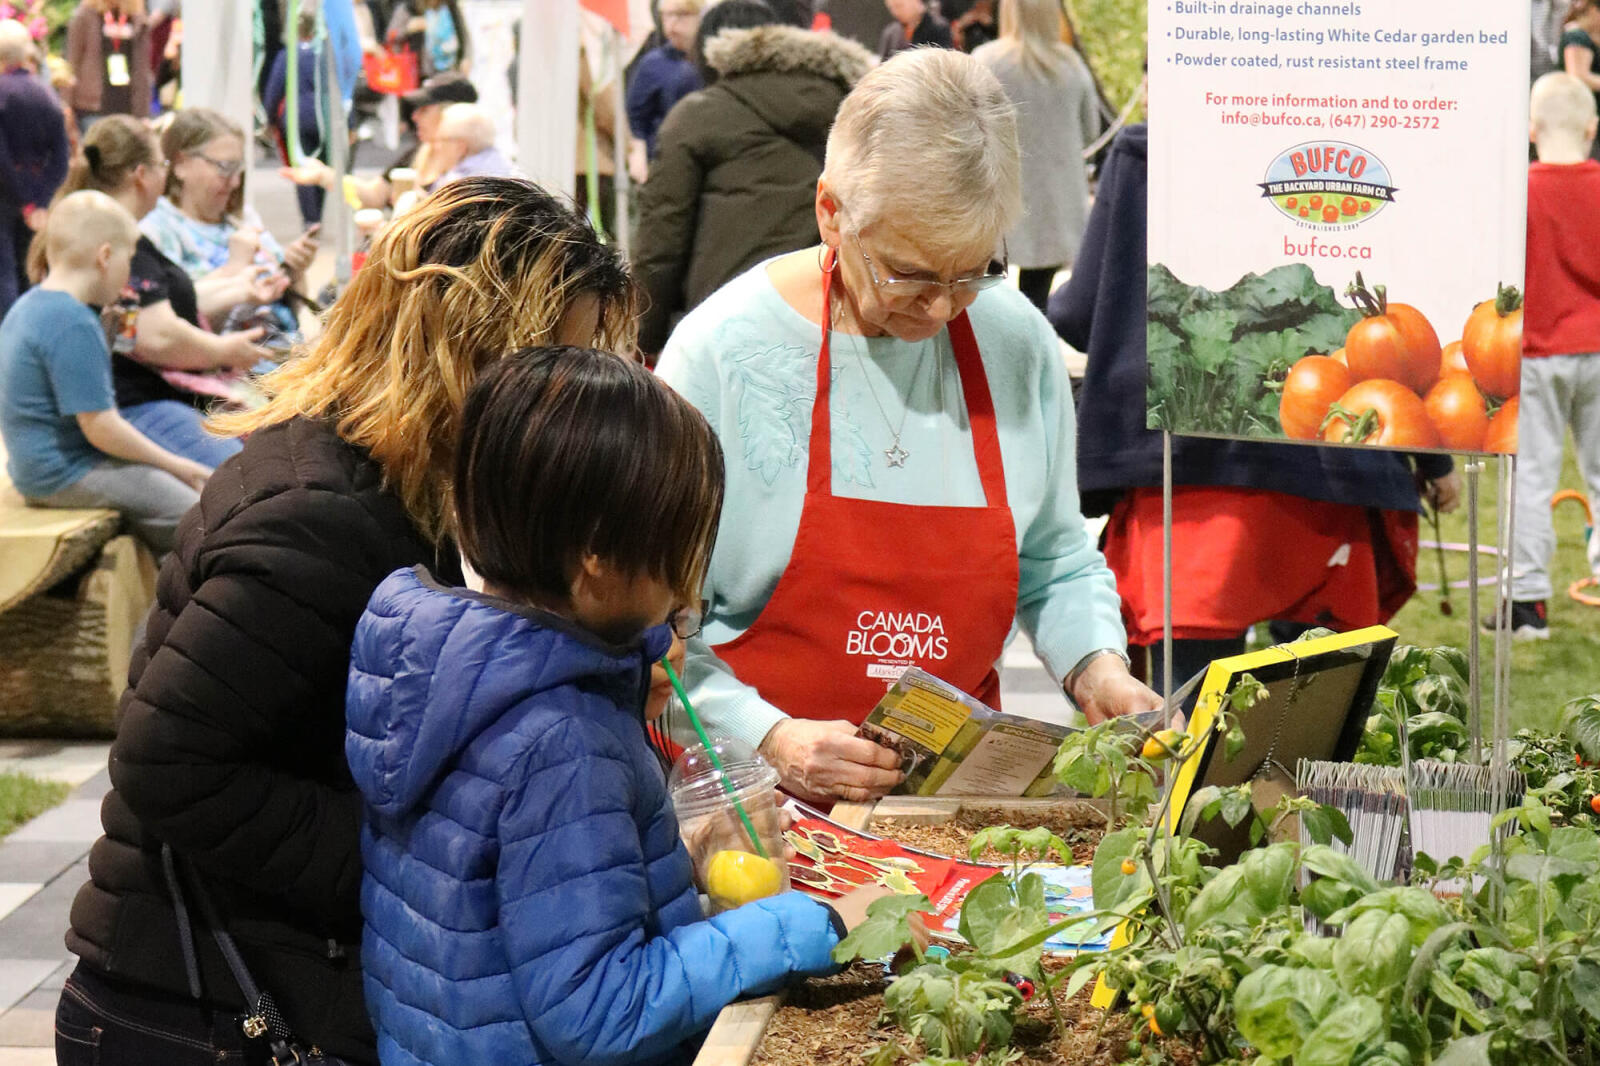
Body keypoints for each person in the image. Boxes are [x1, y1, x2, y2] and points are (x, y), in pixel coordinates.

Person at [54, 178, 638, 1065]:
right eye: (557, 367)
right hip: (191, 1008)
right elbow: (166, 762)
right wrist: (409, 867)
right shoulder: (319, 514)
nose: (568, 407)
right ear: (469, 349)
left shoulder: (385, 478)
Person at [347, 345, 891, 1065]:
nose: (685, 596)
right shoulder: (563, 737)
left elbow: (508, 910)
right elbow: (603, 1010)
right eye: (679, 555)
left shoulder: (442, 670)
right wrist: (811, 923)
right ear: (601, 559)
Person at [656, 49, 1158, 806]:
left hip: (946, 809)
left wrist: (1099, 666)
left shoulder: (1013, 341)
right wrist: (771, 735)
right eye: (911, 274)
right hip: (756, 807)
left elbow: (1055, 559)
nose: (940, 309)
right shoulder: (721, 355)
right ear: (831, 212)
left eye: (971, 273)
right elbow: (652, 631)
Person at [1049, 123, 1459, 689]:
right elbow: (1407, 334)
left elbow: (1079, 314)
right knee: (1313, 723)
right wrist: (1436, 461)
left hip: (1186, 480)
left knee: (1187, 725)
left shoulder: (1150, 151)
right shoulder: (1362, 140)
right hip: (1330, 471)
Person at [26, 115, 271, 467]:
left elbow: (142, 323)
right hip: (135, 402)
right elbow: (153, 337)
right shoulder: (115, 247)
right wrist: (224, 350)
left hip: (137, 397)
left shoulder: (105, 238)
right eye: (162, 165)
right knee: (247, 474)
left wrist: (236, 283)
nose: (166, 175)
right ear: (141, 174)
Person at [635, 2, 873, 357]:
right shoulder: (855, 112)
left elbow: (662, 243)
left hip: (722, 325)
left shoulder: (698, 115)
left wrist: (645, 340)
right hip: (835, 324)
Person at [0, 190, 208, 554]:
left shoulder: (33, 304)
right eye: (129, 259)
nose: (130, 274)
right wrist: (180, 466)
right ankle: (166, 607)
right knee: (195, 518)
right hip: (63, 472)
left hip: (35, 465)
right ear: (105, 257)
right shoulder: (72, 321)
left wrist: (108, 335)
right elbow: (102, 428)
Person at [1499, 73, 1600, 640]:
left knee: (1531, 477)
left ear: (1531, 130)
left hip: (1535, 352)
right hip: (1597, 347)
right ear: (1593, 128)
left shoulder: (1518, 193)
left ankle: (1527, 606)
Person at [142, 107, 319, 340]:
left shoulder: (242, 218)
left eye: (239, 170)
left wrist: (295, 271)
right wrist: (235, 269)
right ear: (181, 164)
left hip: (279, 358)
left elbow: (291, 310)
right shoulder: (157, 232)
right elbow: (172, 329)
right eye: (224, 168)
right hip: (225, 370)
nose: (235, 182)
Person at [972, 0, 1095, 310]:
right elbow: (1091, 131)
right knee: (1037, 292)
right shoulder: (1071, 65)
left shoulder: (985, 62)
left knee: (985, 290)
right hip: (1055, 202)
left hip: (997, 198)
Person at [0, 18, 67, 313]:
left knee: (3, 273)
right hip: (37, 201)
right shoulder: (48, 96)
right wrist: (39, 200)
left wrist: (22, 196)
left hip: (4, 194)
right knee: (30, 268)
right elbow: (61, 156)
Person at [264, 8, 328, 226]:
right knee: (321, 165)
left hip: (296, 118)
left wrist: (269, 119)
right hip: (323, 117)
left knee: (302, 167)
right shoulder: (324, 54)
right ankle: (318, 211)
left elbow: (274, 89)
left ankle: (311, 219)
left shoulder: (288, 55)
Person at [626, 0, 703, 159]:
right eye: (667, 15)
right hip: (665, 156)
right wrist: (638, 153)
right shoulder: (653, 63)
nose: (672, 23)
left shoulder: (712, 60)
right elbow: (636, 119)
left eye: (682, 14)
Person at [64, 0, 152, 131]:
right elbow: (72, 63)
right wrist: (66, 104)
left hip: (128, 107)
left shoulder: (137, 19)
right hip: (92, 107)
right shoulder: (85, 16)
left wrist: (143, 113)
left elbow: (142, 70)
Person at [427, 101, 518, 186]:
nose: (437, 146)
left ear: (460, 147)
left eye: (442, 140)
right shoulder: (507, 168)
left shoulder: (462, 182)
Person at [1563, 0, 1600, 156]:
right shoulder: (1576, 36)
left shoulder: (1586, 37)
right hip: (1582, 115)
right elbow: (1578, 75)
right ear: (1592, 10)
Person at [877, 0, 951, 61]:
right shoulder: (891, 32)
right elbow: (883, 65)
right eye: (891, 8)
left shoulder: (938, 27)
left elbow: (942, 61)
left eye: (899, 6)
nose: (895, 12)